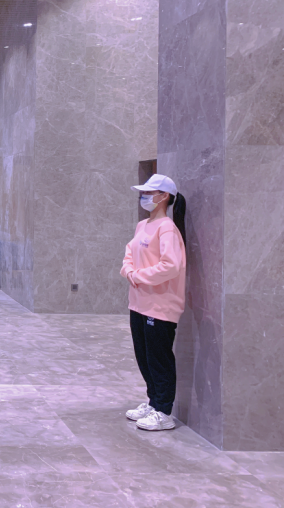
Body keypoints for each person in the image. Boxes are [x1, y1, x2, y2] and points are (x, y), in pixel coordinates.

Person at [121, 173, 187, 431]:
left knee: (159, 359)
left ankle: (163, 411)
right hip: (138, 303)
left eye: (148, 192)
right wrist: (129, 271)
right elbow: (129, 253)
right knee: (144, 357)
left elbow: (171, 266)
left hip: (160, 306)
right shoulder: (142, 226)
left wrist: (138, 276)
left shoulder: (167, 228)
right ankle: (153, 402)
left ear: (164, 196)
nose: (144, 197)